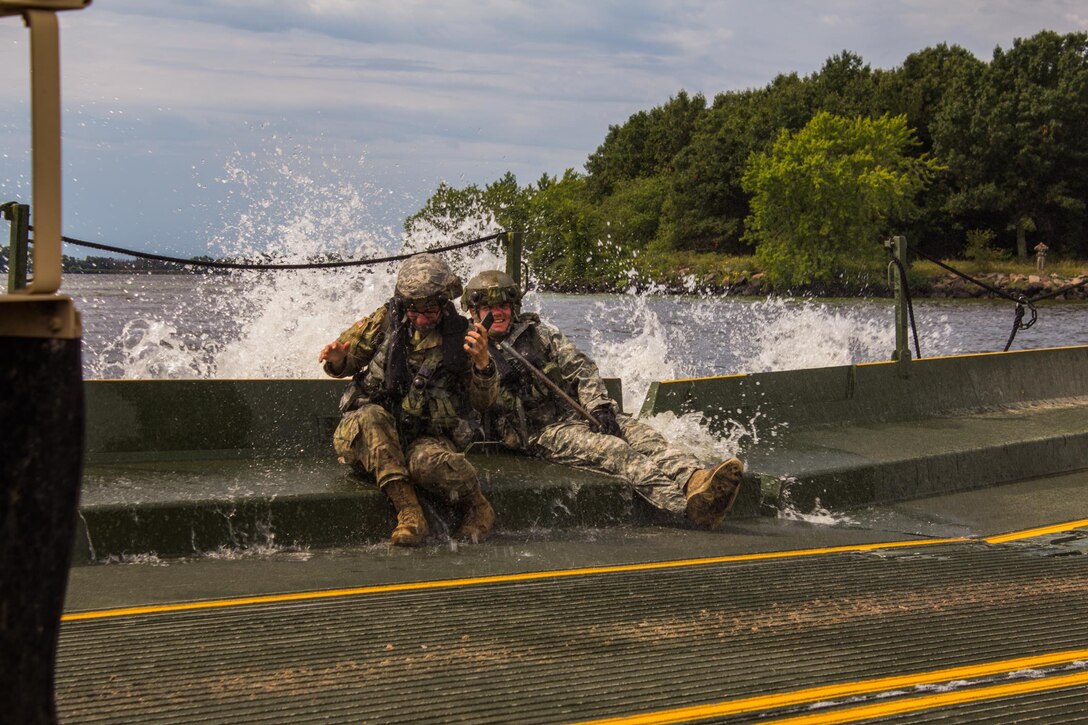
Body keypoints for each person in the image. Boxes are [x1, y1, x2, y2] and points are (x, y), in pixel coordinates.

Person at [461, 270, 744, 528]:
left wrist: (598, 406)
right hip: (541, 432)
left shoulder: (539, 334)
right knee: (617, 453)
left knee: (645, 438)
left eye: (503, 307)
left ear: (514, 308)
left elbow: (580, 368)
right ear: (474, 312)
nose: (497, 314)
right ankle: (686, 508)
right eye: (488, 308)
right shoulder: (468, 351)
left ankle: (695, 480)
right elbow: (481, 403)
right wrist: (483, 362)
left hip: (579, 413)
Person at [319, 253, 499, 546]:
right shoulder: (385, 321)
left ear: (444, 302)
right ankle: (409, 513)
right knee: (370, 417)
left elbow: (483, 402)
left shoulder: (463, 337)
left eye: (430, 310)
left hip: (427, 436)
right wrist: (338, 360)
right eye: (414, 310)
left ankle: (479, 506)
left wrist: (483, 365)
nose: (421, 318)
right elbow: (346, 359)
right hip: (373, 435)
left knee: (426, 464)